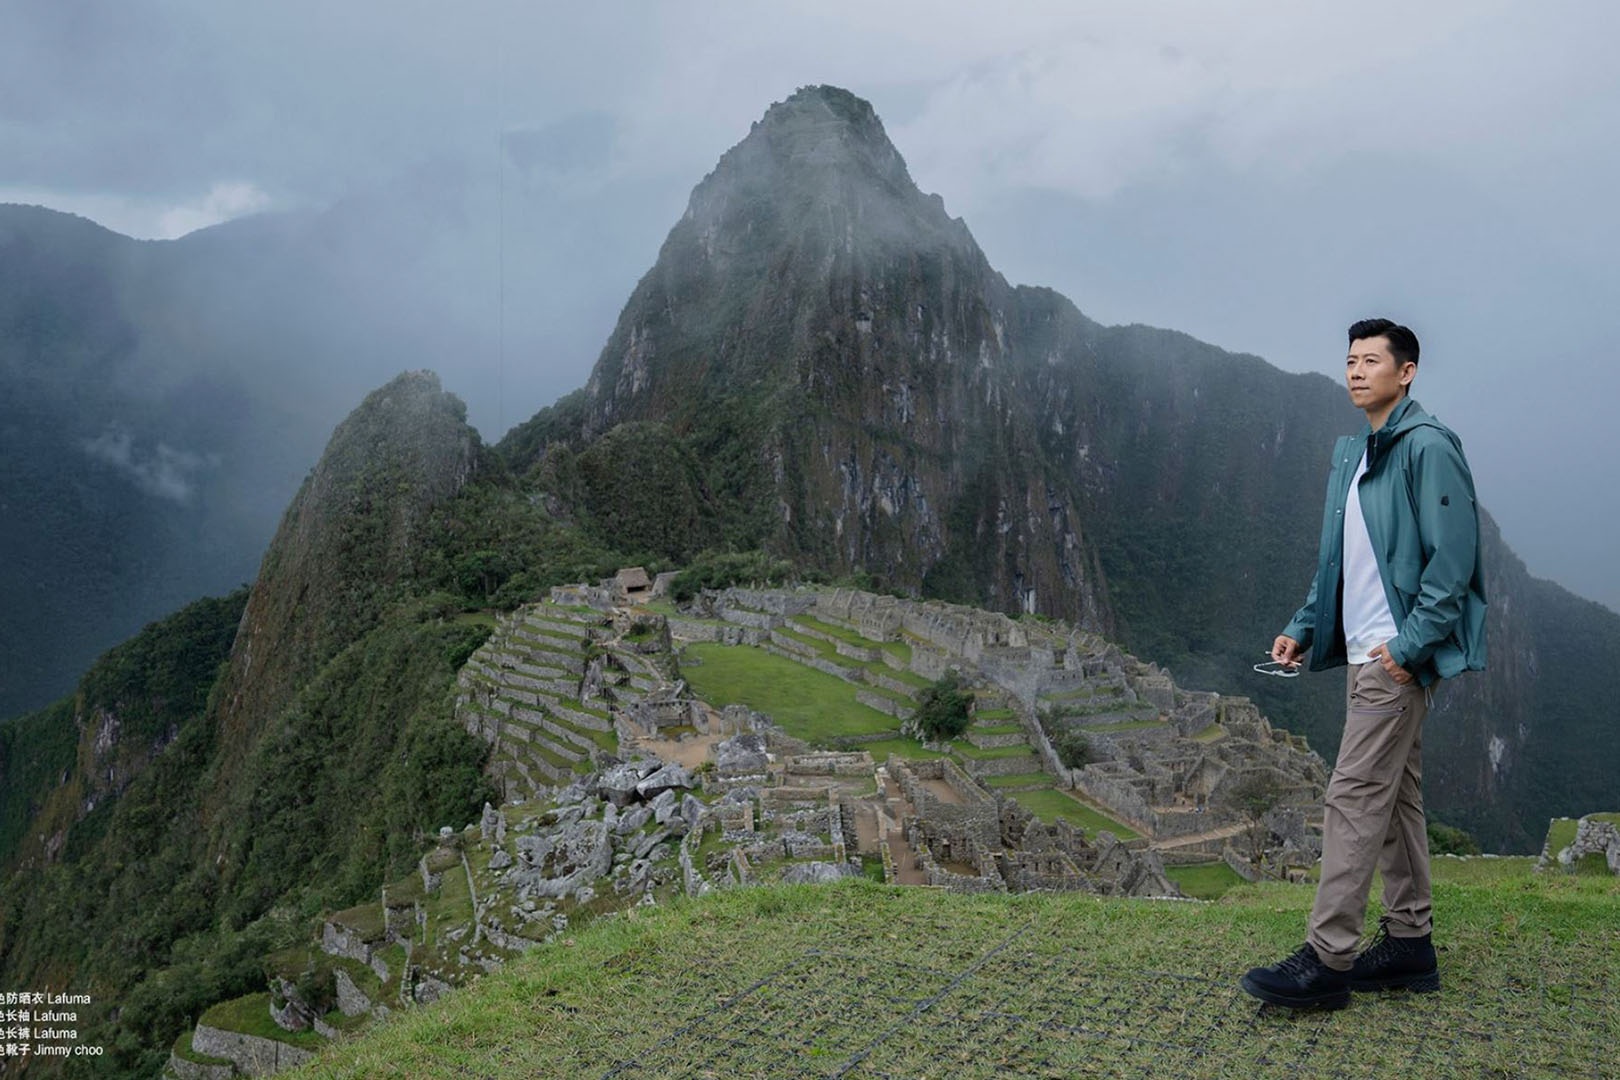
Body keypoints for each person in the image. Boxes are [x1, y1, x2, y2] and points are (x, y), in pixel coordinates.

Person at [1239, 318, 1487, 1009]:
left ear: (1406, 372)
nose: (1355, 370)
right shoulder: (1359, 453)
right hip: (1368, 653)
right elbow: (1342, 564)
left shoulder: (1428, 448)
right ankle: (1410, 945)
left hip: (1392, 658)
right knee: (1398, 798)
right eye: (1350, 360)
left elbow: (1453, 560)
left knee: (1352, 797)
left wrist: (1409, 650)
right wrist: (1305, 624)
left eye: (1371, 360)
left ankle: (1327, 959)